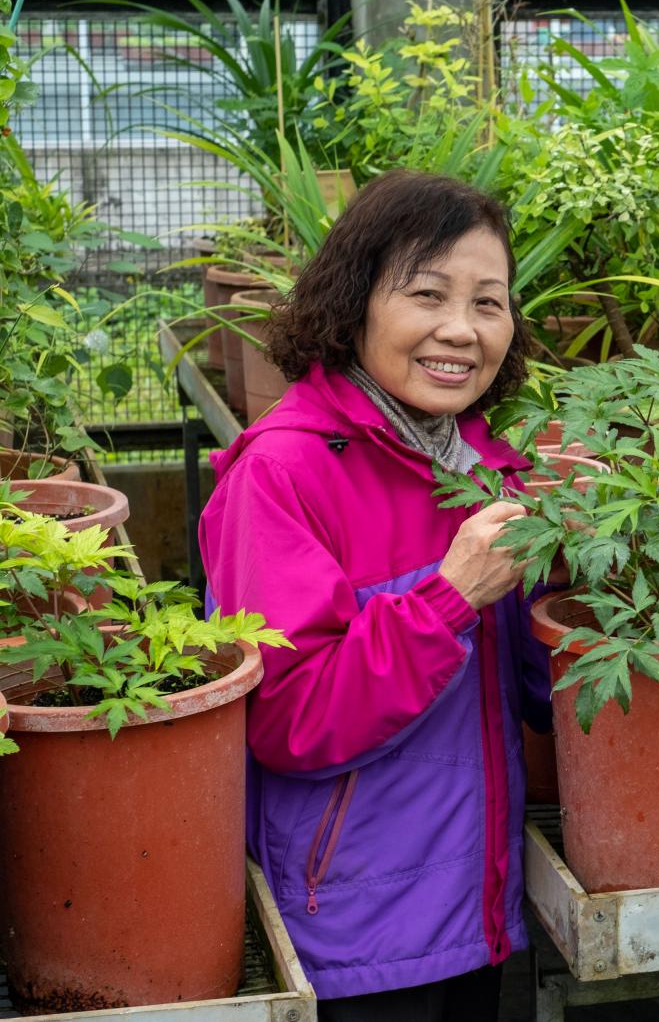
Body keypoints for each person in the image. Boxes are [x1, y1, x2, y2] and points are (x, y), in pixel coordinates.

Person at [200, 170, 553, 1020]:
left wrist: (610, 561)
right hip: (355, 934)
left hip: (479, 915)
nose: (460, 330)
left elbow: (542, 699)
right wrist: (446, 599)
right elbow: (287, 719)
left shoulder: (492, 469)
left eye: (489, 302)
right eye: (427, 294)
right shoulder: (281, 475)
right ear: (356, 301)